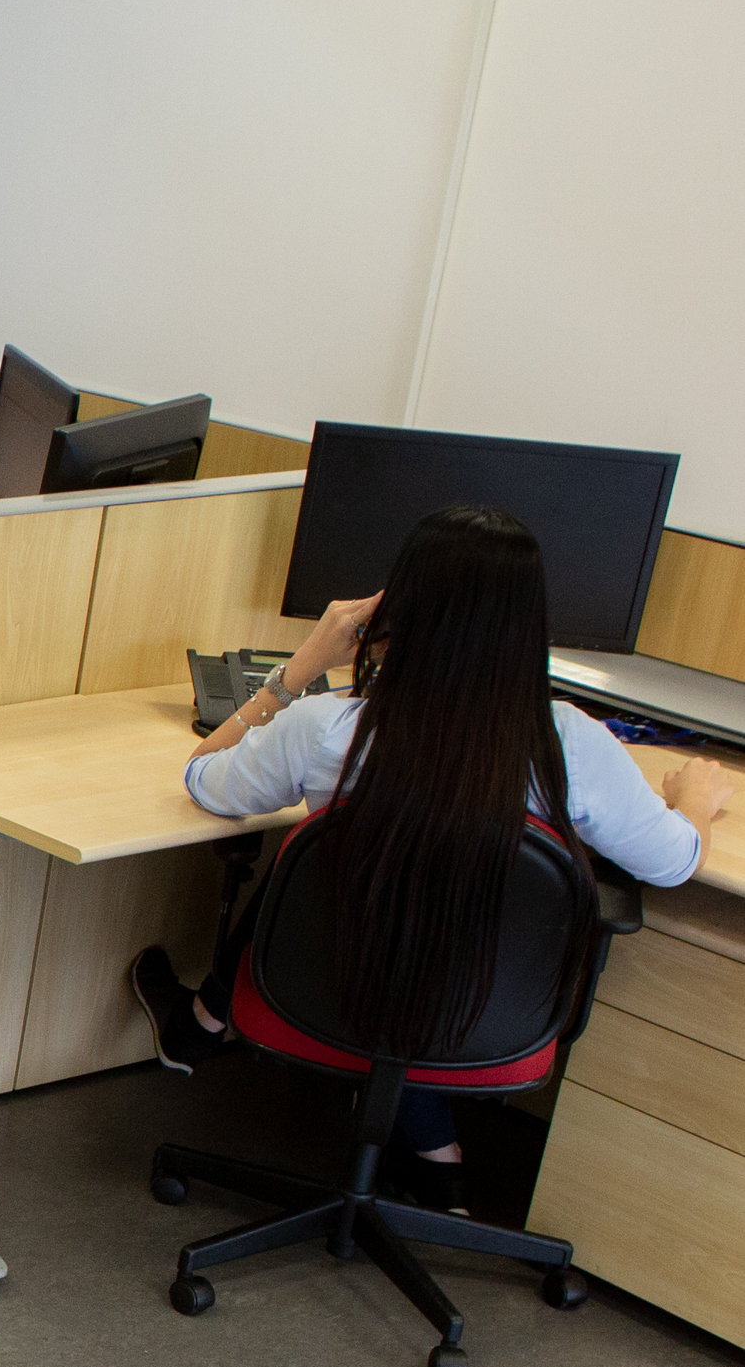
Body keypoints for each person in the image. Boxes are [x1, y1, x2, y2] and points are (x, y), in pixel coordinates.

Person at [134, 504, 733, 1212]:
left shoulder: (328, 729)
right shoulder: (570, 744)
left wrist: (296, 672)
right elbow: (671, 864)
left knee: (327, 860)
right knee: (428, 936)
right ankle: (438, 1167)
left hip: (324, 989)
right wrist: (692, 799)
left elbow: (205, 776)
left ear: (395, 612)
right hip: (484, 1017)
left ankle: (205, 1022)